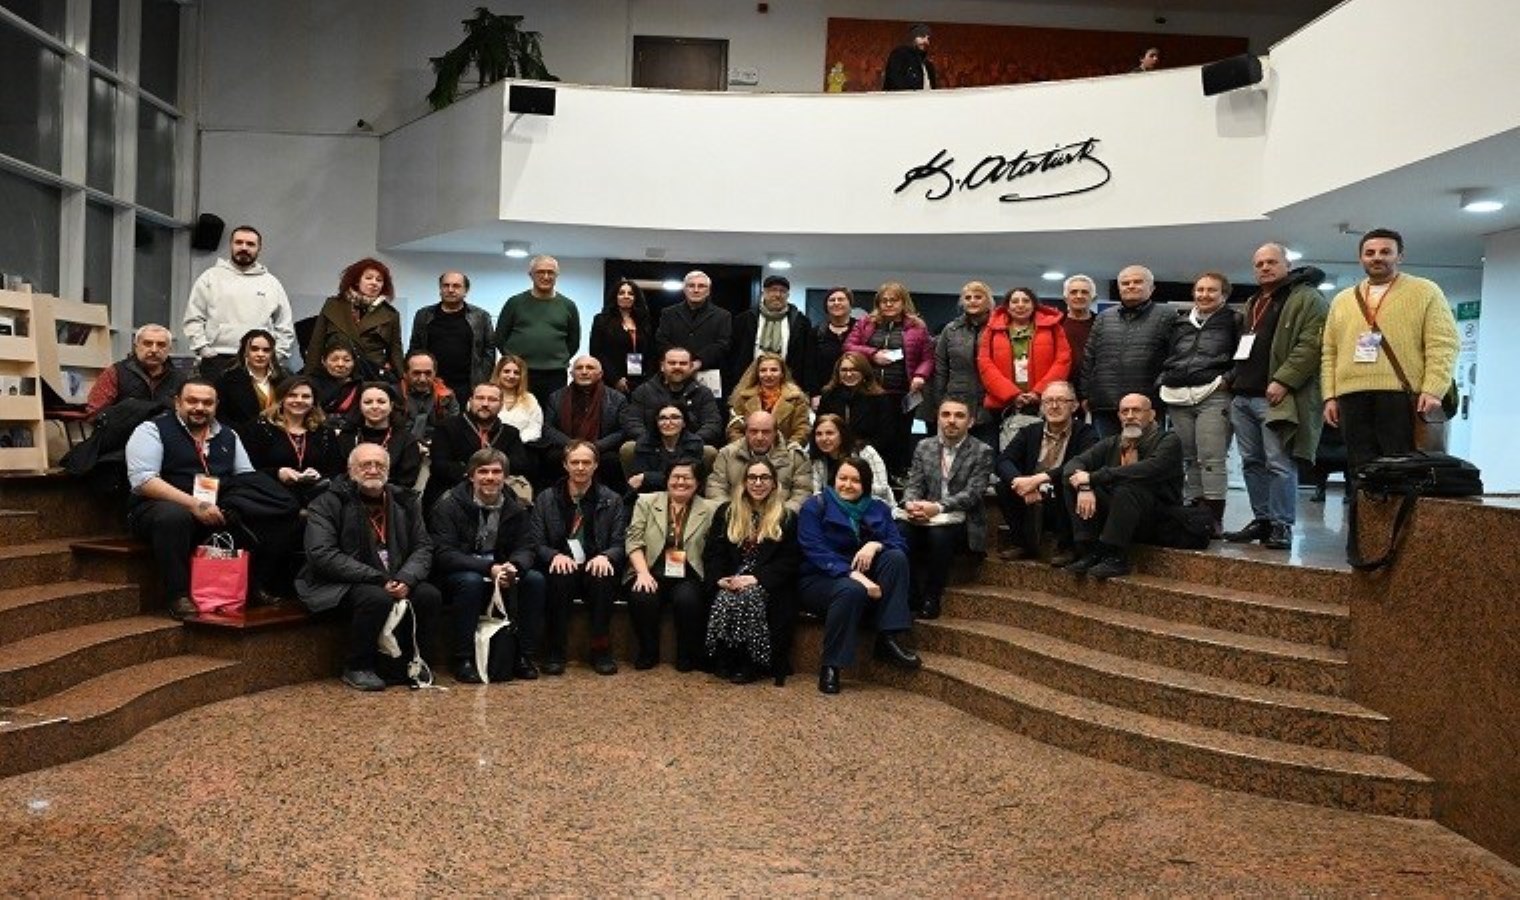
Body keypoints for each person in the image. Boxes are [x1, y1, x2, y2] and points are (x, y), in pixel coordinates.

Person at [297, 443, 442, 692]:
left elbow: (423, 547)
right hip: (338, 581)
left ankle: (413, 662)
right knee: (375, 598)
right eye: (366, 465)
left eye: (379, 465)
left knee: (429, 595)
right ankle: (357, 667)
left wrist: (406, 578)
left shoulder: (405, 500)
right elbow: (322, 554)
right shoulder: (327, 502)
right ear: (350, 469)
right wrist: (378, 578)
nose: (373, 470)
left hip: (394, 576)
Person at [1323, 228, 1458, 490]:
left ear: (1400, 256)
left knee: (1401, 471)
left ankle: (1398, 531)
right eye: (1370, 253)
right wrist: (1329, 395)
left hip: (1400, 395)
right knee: (1359, 474)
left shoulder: (1425, 291)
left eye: (1386, 252)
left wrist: (1433, 389)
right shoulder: (1342, 300)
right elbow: (1329, 350)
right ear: (1360, 258)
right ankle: (1363, 532)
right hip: (1351, 397)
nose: (1377, 257)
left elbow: (1443, 342)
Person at [1223, 244, 1329, 551]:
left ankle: (1282, 524)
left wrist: (1283, 380)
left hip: (1277, 397)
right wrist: (1231, 379)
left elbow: (1311, 345)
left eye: (1272, 262)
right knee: (1251, 463)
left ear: (1287, 265)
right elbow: (1246, 347)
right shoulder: (1254, 301)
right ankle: (1263, 519)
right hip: (1243, 396)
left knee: (1279, 463)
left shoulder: (1307, 299)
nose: (1265, 268)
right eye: (1259, 264)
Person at [125, 379, 255, 619]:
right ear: (177, 402)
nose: (199, 407)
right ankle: (178, 594)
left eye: (207, 402)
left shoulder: (229, 435)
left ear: (216, 405)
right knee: (174, 517)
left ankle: (255, 589)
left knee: (256, 512)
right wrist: (195, 504)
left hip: (214, 505)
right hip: (156, 508)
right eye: (192, 401)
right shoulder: (152, 430)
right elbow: (144, 481)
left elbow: (247, 477)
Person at [797, 458, 921, 695]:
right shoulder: (815, 506)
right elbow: (814, 550)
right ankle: (831, 665)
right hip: (820, 577)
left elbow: (899, 543)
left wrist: (875, 544)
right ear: (834, 480)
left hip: (862, 574)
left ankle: (888, 637)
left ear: (865, 484)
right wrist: (855, 576)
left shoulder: (878, 508)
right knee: (850, 589)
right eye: (843, 478)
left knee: (894, 557)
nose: (848, 485)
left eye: (855, 480)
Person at [430, 447, 544, 683]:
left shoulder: (518, 506)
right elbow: (444, 553)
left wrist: (514, 566)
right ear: (471, 476)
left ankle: (523, 655)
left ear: (505, 477)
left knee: (534, 580)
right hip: (457, 573)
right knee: (470, 583)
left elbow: (527, 546)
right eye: (483, 471)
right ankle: (463, 658)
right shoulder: (448, 505)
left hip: (500, 568)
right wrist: (487, 569)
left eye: (496, 472)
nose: (490, 477)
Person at [238, 375, 345, 601]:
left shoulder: (324, 432)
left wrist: (320, 475)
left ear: (314, 401)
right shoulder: (260, 428)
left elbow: (337, 470)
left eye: (306, 396)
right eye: (293, 395)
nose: (299, 400)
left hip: (314, 494)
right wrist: (278, 472)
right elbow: (246, 469)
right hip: (270, 494)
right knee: (288, 518)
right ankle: (263, 583)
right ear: (282, 399)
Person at [527, 440, 626, 675]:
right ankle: (555, 651)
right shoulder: (546, 499)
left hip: (595, 564)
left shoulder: (612, 499)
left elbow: (620, 542)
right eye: (575, 462)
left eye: (586, 462)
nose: (580, 467)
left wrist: (607, 556)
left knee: (603, 579)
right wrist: (553, 555)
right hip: (561, 564)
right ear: (565, 465)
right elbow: (535, 542)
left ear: (595, 466)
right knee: (559, 578)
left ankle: (601, 650)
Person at [1060, 393, 1183, 580]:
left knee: (1127, 487)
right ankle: (1090, 551)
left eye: (1137, 410)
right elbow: (1074, 464)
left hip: (1157, 516)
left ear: (1151, 415)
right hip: (1120, 513)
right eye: (1125, 411)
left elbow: (1146, 470)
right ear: (1119, 416)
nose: (1130, 415)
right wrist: (1085, 488)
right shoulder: (1112, 442)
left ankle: (1115, 556)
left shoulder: (1168, 440)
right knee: (1074, 482)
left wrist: (1094, 477)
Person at [704, 458, 801, 685]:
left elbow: (790, 560)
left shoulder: (786, 518)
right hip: (732, 577)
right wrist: (721, 579)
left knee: (749, 596)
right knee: (726, 597)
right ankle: (724, 656)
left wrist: (757, 578)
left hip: (769, 582)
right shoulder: (726, 512)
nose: (758, 483)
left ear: (774, 484)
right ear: (744, 482)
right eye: (752, 478)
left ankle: (751, 661)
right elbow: (714, 553)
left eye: (764, 478)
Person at [1158, 272, 1241, 538]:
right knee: (1188, 458)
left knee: (1211, 458)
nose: (1204, 295)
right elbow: (1167, 355)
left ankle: (1213, 518)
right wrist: (1162, 380)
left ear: (1224, 295)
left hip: (1213, 395)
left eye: (1211, 290)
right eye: (1200, 289)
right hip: (1177, 395)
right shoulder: (1180, 323)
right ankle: (1194, 514)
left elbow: (1243, 356)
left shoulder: (1235, 320)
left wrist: (1228, 380)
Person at [898, 398, 994, 620]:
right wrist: (911, 504)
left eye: (959, 416)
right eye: (946, 415)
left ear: (970, 422)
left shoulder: (982, 451)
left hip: (962, 521)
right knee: (900, 530)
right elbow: (913, 485)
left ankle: (932, 597)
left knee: (939, 535)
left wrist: (939, 507)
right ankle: (911, 595)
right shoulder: (924, 446)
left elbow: (973, 494)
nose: (951, 421)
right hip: (925, 515)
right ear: (938, 418)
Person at [625, 457, 718, 672]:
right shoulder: (646, 501)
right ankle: (648, 652)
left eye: (687, 478)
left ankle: (687, 655)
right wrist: (642, 573)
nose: (680, 482)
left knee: (688, 600)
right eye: (676, 477)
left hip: (688, 573)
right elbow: (634, 540)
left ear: (698, 483)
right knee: (642, 595)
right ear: (667, 479)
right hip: (650, 569)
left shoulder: (711, 509)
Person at [994, 381, 1098, 562]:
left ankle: (1067, 547)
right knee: (1003, 486)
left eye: (1061, 401)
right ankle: (1022, 543)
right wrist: (1021, 482)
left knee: (1069, 484)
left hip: (1060, 489)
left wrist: (1038, 480)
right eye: (1048, 401)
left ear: (1074, 406)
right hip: (1031, 493)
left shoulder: (1086, 433)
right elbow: (1003, 460)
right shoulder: (1030, 431)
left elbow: (1080, 464)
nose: (1054, 406)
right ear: (1042, 406)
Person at [844, 282, 933, 479]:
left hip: (902, 393)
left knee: (900, 438)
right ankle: (866, 475)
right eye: (884, 301)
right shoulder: (866, 323)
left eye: (893, 300)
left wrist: (920, 375)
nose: (888, 304)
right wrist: (873, 354)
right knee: (870, 436)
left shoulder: (917, 328)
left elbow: (927, 358)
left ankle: (897, 476)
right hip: (870, 392)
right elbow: (849, 346)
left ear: (903, 302)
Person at [182, 225, 295, 378]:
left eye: (250, 244)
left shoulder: (272, 283)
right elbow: (193, 318)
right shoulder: (210, 277)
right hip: (216, 358)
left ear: (259, 248)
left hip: (257, 361)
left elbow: (285, 325)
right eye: (239, 242)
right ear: (231, 245)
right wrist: (203, 349)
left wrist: (277, 356)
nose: (244, 247)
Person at [1080, 265, 1172, 437]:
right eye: (1125, 283)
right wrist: (1085, 394)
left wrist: (1161, 388)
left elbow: (1174, 358)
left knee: (1148, 456)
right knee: (1108, 457)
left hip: (1147, 404)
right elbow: (1089, 357)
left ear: (1151, 288)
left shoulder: (1167, 316)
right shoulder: (1103, 317)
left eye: (1137, 282)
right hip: (1105, 404)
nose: (1131, 286)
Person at [979, 286, 1072, 428]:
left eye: (1026, 301)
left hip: (1045, 403)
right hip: (1003, 405)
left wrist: (1039, 392)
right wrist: (1011, 394)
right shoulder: (991, 330)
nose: (1020, 305)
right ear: (1007, 307)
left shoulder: (1054, 327)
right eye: (1015, 301)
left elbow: (1063, 359)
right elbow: (984, 363)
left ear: (1034, 305)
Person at [426, 382, 529, 509]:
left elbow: (519, 464)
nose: (485, 404)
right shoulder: (447, 427)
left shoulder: (510, 432)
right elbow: (440, 465)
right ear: (470, 401)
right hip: (453, 493)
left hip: (497, 492)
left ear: (501, 405)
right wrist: (478, 474)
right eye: (480, 398)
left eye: (492, 399)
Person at [494, 255, 580, 407]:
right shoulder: (514, 303)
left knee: (553, 415)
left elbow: (573, 342)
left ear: (557, 275)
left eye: (550, 272)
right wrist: (514, 362)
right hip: (520, 373)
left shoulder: (568, 305)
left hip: (555, 374)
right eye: (540, 272)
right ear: (531, 275)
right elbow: (500, 337)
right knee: (518, 412)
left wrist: (556, 358)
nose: (546, 276)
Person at [303, 257, 405, 384]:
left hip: (372, 376)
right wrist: (308, 378)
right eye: (368, 278)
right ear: (357, 281)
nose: (374, 283)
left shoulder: (390, 314)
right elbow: (316, 344)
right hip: (336, 375)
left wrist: (402, 378)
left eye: (379, 280)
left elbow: (396, 350)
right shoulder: (333, 305)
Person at [407, 271, 496, 399]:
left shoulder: (480, 316)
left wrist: (482, 379)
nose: (450, 290)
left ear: (466, 290)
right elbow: (415, 347)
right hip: (431, 384)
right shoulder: (423, 315)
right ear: (440, 289)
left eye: (456, 286)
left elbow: (489, 350)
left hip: (467, 386)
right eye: (446, 285)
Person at [542, 355, 627, 484]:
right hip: (566, 446)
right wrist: (572, 445)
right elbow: (547, 428)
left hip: (601, 449)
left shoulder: (617, 399)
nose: (584, 372)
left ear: (600, 374)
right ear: (572, 373)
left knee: (612, 461)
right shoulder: (556, 397)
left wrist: (595, 446)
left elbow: (622, 431)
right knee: (552, 457)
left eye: (590, 368)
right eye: (579, 368)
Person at [706, 411, 813, 513]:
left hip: (780, 520)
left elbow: (803, 493)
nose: (759, 437)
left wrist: (782, 515)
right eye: (753, 431)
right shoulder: (728, 454)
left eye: (766, 432)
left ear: (776, 433)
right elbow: (716, 487)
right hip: (737, 518)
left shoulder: (794, 456)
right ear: (746, 432)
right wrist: (732, 513)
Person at [727, 274, 813, 397]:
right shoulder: (744, 320)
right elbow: (733, 353)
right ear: (764, 293)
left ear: (788, 295)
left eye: (782, 291)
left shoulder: (801, 322)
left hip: (788, 386)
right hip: (749, 385)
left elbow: (807, 357)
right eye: (773, 290)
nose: (777, 295)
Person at [621, 346, 725, 446]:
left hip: (691, 448)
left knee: (709, 451)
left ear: (691, 367)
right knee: (628, 447)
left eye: (683, 363)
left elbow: (713, 424)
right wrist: (654, 442)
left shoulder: (703, 393)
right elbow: (632, 422)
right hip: (651, 449)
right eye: (672, 363)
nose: (677, 367)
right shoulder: (643, 391)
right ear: (662, 366)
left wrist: (689, 442)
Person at [933, 281, 995, 447]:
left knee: (987, 454)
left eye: (978, 297)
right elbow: (940, 368)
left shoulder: (998, 328)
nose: (972, 301)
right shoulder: (950, 330)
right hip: (956, 400)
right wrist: (940, 402)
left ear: (988, 301)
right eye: (968, 297)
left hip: (990, 403)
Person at [654, 270, 732, 398]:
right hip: (673, 374)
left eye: (701, 286)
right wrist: (679, 363)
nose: (696, 290)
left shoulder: (723, 316)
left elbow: (723, 344)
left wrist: (698, 362)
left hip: (707, 374)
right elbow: (661, 340)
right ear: (684, 289)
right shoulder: (668, 313)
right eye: (691, 286)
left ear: (708, 291)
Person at [84, 324, 186, 421]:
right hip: (123, 435)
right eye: (147, 343)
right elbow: (95, 413)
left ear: (169, 349)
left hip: (166, 436)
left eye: (161, 345)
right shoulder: (116, 372)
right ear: (136, 346)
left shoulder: (180, 378)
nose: (154, 350)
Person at [337, 382, 424, 491]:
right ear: (359, 405)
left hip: (391, 498)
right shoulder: (347, 436)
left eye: (381, 402)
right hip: (348, 496)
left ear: (391, 405)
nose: (374, 406)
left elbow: (407, 482)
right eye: (368, 402)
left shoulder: (406, 440)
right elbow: (337, 474)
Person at [815, 350, 894, 454]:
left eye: (854, 370)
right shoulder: (828, 395)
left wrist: (860, 451)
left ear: (864, 372)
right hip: (832, 452)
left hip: (867, 453)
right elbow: (819, 427)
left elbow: (885, 435)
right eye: (844, 370)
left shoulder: (879, 398)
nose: (848, 374)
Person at [725, 352, 810, 447]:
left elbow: (802, 429)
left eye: (774, 370)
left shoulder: (796, 398)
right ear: (757, 373)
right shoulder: (743, 397)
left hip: (785, 453)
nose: (768, 374)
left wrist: (787, 450)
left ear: (782, 373)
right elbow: (734, 429)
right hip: (747, 453)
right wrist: (745, 450)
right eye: (763, 370)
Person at [808, 414, 894, 504]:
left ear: (842, 434)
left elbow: (882, 489)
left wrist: (851, 488)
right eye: (819, 434)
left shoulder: (865, 452)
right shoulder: (818, 460)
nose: (824, 438)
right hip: (833, 511)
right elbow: (816, 493)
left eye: (830, 433)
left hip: (872, 508)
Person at [588, 278, 652, 396]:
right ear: (615, 297)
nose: (626, 296)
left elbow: (649, 352)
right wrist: (615, 379)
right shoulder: (601, 320)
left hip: (638, 380)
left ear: (636, 298)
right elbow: (596, 352)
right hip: (610, 379)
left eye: (630, 293)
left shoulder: (643, 322)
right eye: (621, 293)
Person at [626, 404, 706, 495]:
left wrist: (648, 477)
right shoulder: (644, 442)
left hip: (684, 493)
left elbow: (687, 478)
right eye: (663, 418)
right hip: (651, 494)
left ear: (684, 423)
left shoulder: (694, 443)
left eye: (675, 418)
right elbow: (637, 480)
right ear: (657, 423)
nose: (668, 423)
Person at [214, 328, 285, 429]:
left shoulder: (284, 378)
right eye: (254, 349)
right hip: (242, 438)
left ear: (272, 353)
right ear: (245, 352)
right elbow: (220, 417)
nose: (260, 354)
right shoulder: (227, 380)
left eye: (266, 350)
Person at [807, 285, 857, 400]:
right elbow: (809, 367)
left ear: (850, 304)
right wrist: (815, 394)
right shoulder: (816, 332)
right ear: (826, 306)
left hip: (857, 392)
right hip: (825, 394)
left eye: (841, 299)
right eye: (832, 300)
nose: (836, 303)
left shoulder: (860, 329)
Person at [399, 350, 460, 443]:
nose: (423, 379)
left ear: (435, 373)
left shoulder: (447, 396)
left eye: (428, 373)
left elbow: (453, 430)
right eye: (416, 373)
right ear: (405, 374)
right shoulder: (393, 396)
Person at [1060, 275, 1098, 401]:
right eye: (1074, 292)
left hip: (1093, 392)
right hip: (1060, 390)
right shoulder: (1055, 325)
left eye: (1085, 292)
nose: (1079, 296)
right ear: (1066, 298)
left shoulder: (1102, 324)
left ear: (1093, 298)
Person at [490, 354, 544, 443]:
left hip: (522, 448)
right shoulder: (485, 396)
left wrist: (515, 442)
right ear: (498, 373)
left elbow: (535, 428)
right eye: (506, 371)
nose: (511, 376)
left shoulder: (530, 399)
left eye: (516, 373)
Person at [309, 342, 362, 421]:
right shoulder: (310, 384)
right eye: (334, 360)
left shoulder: (361, 385)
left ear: (354, 362)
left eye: (346, 360)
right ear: (323, 361)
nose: (340, 364)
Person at [883, 23, 936, 91]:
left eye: (928, 38)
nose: (926, 41)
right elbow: (894, 82)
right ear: (912, 38)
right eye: (922, 36)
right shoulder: (899, 55)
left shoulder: (928, 65)